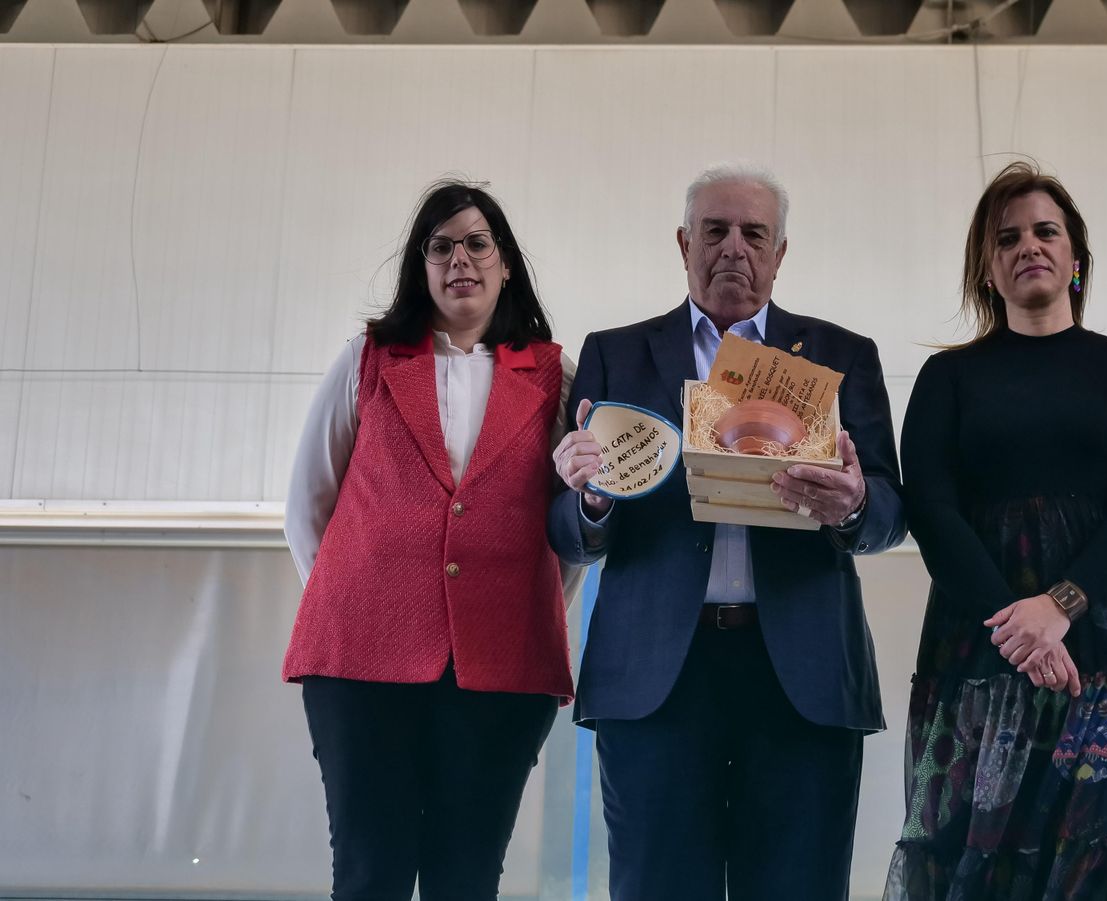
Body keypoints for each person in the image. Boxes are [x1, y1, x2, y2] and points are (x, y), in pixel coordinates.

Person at [547, 162, 906, 901]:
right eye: (715, 231)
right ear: (683, 243)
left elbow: (893, 514)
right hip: (656, 680)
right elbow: (564, 526)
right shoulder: (614, 353)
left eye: (754, 233)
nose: (733, 248)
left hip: (800, 680)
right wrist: (591, 501)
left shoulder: (843, 356)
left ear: (781, 253)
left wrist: (854, 506)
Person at [884, 161, 1107, 900]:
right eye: (1008, 237)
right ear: (988, 269)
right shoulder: (946, 379)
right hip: (983, 644)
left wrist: (1058, 606)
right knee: (980, 857)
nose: (1030, 244)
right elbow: (932, 511)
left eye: (1046, 230)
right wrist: (1016, 628)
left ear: (1075, 257)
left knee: (1105, 861)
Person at [282, 179, 578, 900]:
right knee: (368, 871)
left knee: (467, 875)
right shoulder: (369, 359)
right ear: (421, 265)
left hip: (501, 665)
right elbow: (307, 504)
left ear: (505, 261)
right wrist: (355, 607)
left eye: (478, 243)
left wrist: (531, 607)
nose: (460, 260)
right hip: (358, 662)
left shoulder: (553, 376)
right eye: (440, 246)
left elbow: (567, 533)